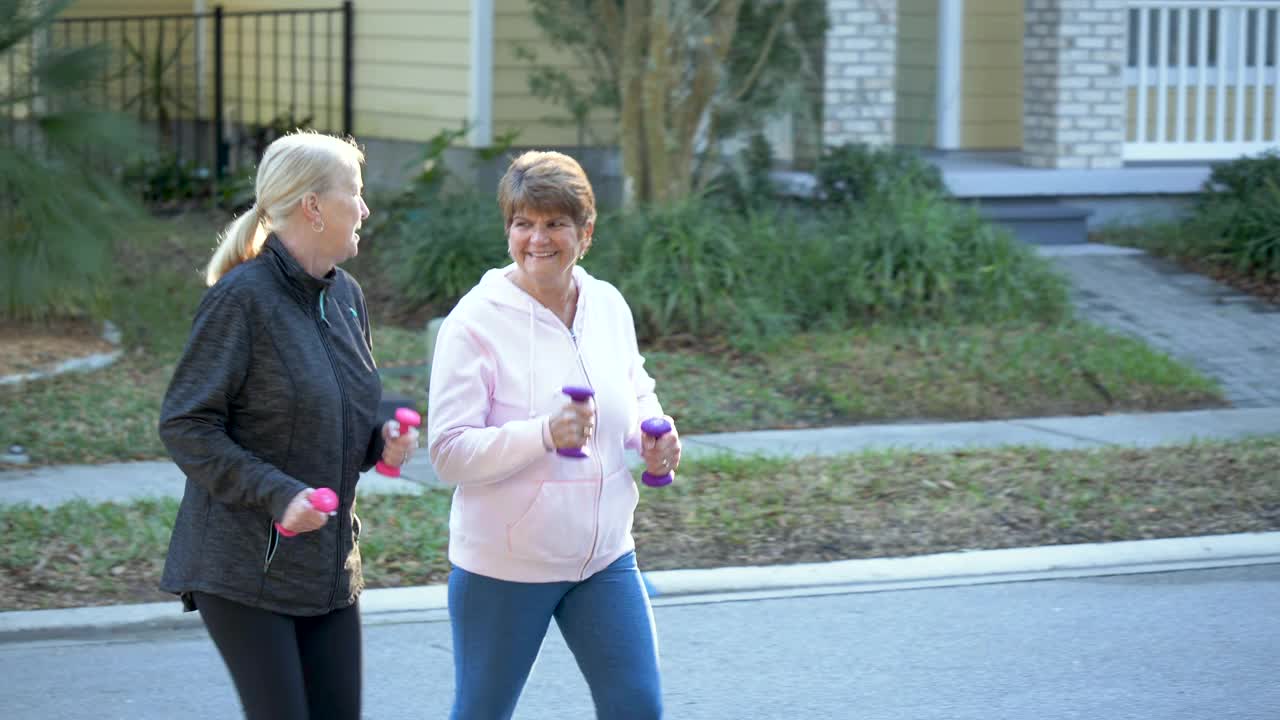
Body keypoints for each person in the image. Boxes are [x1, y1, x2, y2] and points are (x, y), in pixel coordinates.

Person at [157, 130, 418, 720]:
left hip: (326, 569)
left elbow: (344, 409)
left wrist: (385, 441)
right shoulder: (241, 300)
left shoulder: (345, 296)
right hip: (245, 567)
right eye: (355, 191)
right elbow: (186, 423)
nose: (365, 208)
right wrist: (278, 494)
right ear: (313, 207)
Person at [427, 150, 682, 720]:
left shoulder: (608, 305)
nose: (537, 239)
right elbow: (447, 453)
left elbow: (637, 387)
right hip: (507, 563)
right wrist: (543, 433)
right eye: (524, 223)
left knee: (638, 708)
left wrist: (654, 436)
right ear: (508, 230)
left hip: (604, 557)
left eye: (554, 224)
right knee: (482, 712)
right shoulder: (474, 322)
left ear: (585, 232)